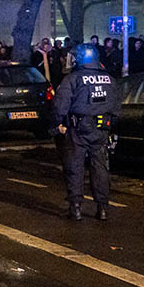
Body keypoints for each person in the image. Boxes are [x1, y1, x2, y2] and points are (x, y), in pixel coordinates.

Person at [55, 43, 120, 221]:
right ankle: (102, 208)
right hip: (102, 128)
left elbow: (61, 105)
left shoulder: (73, 79)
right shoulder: (109, 78)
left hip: (78, 128)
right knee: (100, 168)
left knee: (74, 167)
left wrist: (58, 123)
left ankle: (75, 207)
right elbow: (116, 105)